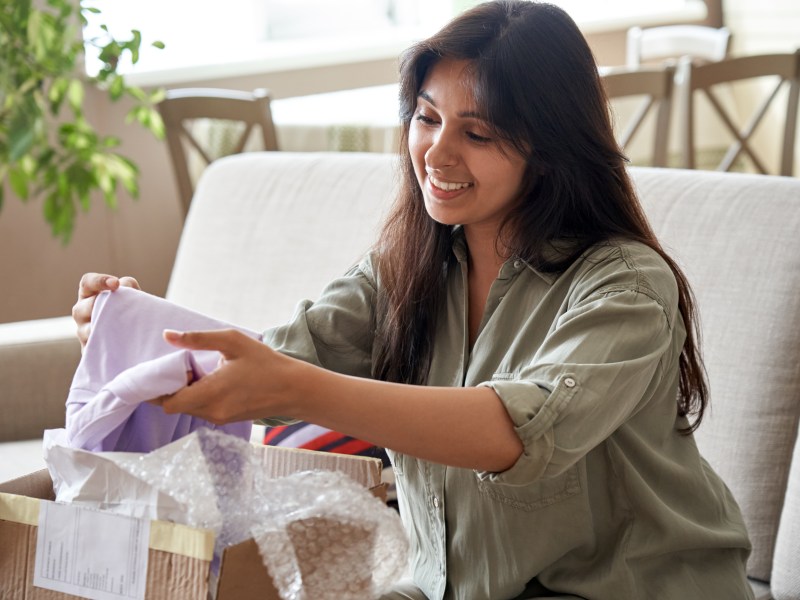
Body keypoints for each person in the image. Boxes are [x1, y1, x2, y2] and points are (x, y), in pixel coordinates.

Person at [72, 2, 755, 598]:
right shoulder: (406, 270)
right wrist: (136, 336)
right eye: (427, 118)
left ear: (550, 148)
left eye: (477, 133)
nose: (436, 153)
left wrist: (306, 391)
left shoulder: (625, 286)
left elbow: (520, 435)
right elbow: (265, 365)